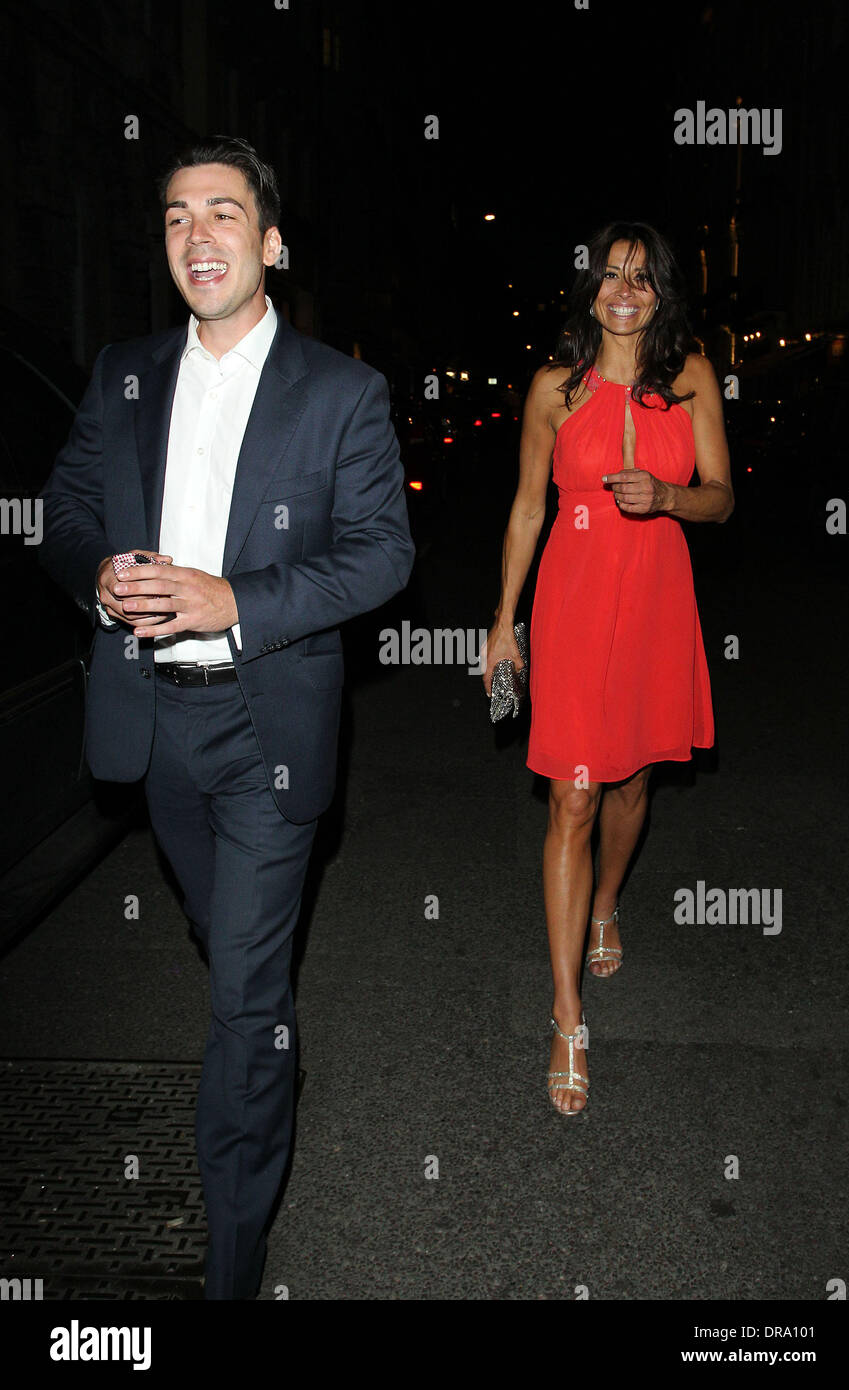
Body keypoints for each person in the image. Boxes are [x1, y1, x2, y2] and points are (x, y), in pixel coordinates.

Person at [37, 135, 414, 1294]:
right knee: (229, 950)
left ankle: (231, 1267)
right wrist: (99, 573)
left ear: (272, 242)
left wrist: (235, 600)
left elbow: (383, 556)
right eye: (175, 217)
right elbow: (63, 512)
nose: (196, 235)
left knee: (244, 997)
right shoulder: (125, 372)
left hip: (268, 737)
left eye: (222, 212)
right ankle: (263, 1051)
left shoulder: (340, 392)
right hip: (154, 724)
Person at [483, 222, 733, 1116]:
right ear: (588, 289)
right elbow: (527, 508)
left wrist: (668, 496)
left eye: (641, 277)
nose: (624, 291)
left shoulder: (691, 376)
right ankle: (566, 1015)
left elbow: (722, 498)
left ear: (661, 291)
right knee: (574, 796)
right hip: (576, 600)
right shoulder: (553, 388)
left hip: (657, 600)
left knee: (630, 785)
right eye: (610, 276)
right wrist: (504, 623)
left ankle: (606, 904)